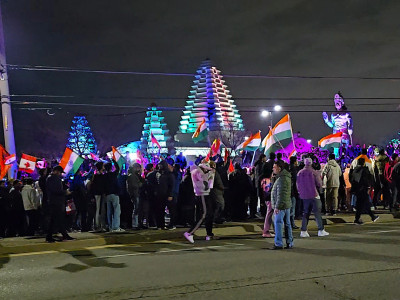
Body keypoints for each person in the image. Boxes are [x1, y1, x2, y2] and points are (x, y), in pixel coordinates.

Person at [183, 161, 215, 243]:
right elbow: (206, 185)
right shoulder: (198, 172)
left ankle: (209, 234)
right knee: (203, 215)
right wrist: (210, 177)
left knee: (207, 214)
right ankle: (190, 233)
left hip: (202, 194)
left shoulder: (196, 171)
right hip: (202, 194)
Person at [297, 158, 329, 237]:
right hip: (314, 194)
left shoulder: (300, 172)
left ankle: (303, 231)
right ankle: (321, 230)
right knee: (317, 213)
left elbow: (297, 184)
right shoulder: (314, 172)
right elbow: (319, 183)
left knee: (306, 213)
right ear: (311, 163)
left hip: (304, 195)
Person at [46, 166, 75, 242]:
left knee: (56, 219)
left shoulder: (52, 178)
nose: (60, 174)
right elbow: (55, 190)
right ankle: (62, 235)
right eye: (60, 172)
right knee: (58, 219)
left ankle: (51, 236)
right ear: (56, 171)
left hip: (55, 201)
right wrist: (65, 192)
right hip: (56, 202)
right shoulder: (53, 178)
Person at [270, 160, 293, 250]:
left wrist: (277, 206)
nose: (273, 169)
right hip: (286, 204)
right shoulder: (284, 177)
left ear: (279, 168)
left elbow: (281, 194)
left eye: (274, 167)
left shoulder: (282, 179)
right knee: (287, 224)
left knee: (278, 223)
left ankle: (279, 243)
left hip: (281, 205)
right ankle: (289, 242)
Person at [146, 160, 175, 229]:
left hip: (166, 194)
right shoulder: (156, 174)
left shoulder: (169, 174)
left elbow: (171, 185)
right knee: (159, 210)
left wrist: (170, 194)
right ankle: (160, 225)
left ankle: (171, 224)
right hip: (158, 195)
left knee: (171, 210)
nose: (160, 167)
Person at [350, 158, 379, 224]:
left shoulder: (355, 170)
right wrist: (368, 186)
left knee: (361, 203)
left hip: (357, 189)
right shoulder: (364, 170)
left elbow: (351, 178)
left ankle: (370, 216)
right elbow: (366, 179)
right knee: (364, 203)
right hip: (363, 188)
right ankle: (371, 216)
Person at [104, 160, 124, 232]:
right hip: (114, 194)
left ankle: (110, 226)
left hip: (107, 195)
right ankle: (116, 227)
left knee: (109, 211)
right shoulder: (113, 174)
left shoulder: (104, 176)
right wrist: (114, 161)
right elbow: (118, 168)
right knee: (116, 211)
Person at [127, 163, 145, 229]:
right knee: (136, 209)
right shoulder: (132, 176)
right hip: (135, 194)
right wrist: (140, 184)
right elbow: (135, 185)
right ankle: (135, 224)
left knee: (137, 209)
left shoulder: (135, 175)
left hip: (136, 194)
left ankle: (137, 223)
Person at [91, 162, 107, 232]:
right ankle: (97, 225)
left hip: (99, 194)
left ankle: (99, 225)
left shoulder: (98, 175)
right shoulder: (97, 176)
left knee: (99, 210)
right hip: (98, 194)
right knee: (98, 210)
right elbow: (95, 186)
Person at [289, 156, 299, 229]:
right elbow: (296, 182)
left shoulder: (288, 169)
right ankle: (291, 223)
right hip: (292, 192)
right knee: (292, 209)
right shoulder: (293, 170)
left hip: (289, 191)